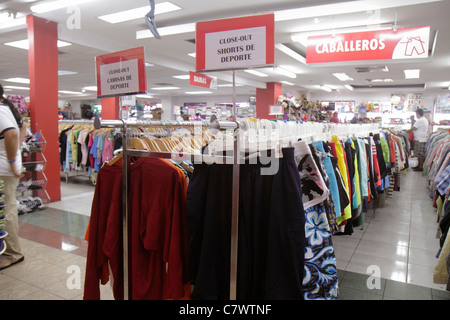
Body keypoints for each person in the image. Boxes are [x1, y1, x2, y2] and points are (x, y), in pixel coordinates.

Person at [0, 83, 26, 270]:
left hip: (4, 170)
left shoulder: (1, 111)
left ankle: (13, 254)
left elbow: (11, 133)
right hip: (6, 167)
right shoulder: (7, 109)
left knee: (6, 211)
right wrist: (16, 153)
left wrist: (11, 162)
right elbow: (23, 127)